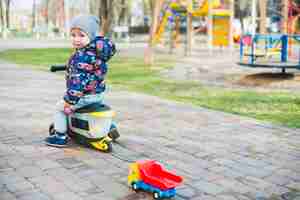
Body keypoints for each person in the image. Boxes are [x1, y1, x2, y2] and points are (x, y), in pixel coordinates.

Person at [45, 15, 117, 147]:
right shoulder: (97, 51)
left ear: (91, 36)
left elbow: (78, 83)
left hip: (84, 96)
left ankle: (60, 136)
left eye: (81, 35)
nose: (76, 39)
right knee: (95, 109)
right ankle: (110, 127)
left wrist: (69, 101)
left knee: (59, 108)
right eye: (73, 35)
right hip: (97, 94)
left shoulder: (82, 56)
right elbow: (90, 70)